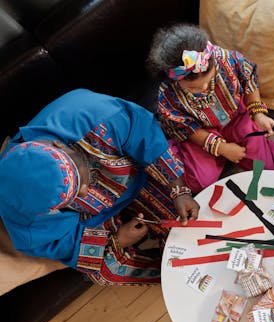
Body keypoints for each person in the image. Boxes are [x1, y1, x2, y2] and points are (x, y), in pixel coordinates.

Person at [0, 89, 200, 285]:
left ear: (60, 146)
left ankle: (188, 258)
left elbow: (145, 137)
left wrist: (178, 190)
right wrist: (119, 240)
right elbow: (62, 243)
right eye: (75, 196)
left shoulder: (91, 113)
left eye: (82, 180)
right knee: (106, 270)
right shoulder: (23, 214)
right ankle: (172, 273)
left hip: (137, 180)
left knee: (186, 223)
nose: (86, 191)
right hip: (94, 221)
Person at [147, 23, 274, 194]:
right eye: (194, 88)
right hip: (201, 131)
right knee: (200, 182)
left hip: (236, 116)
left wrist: (258, 113)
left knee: (265, 164)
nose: (204, 88)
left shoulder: (225, 59)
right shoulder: (168, 97)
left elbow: (248, 76)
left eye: (209, 79)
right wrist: (221, 148)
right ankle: (176, 151)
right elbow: (187, 129)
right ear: (175, 80)